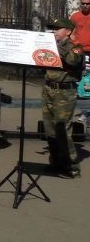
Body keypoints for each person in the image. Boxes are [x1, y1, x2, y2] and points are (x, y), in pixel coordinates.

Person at [42, 18, 83, 179]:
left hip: (64, 92)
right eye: (53, 29)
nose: (54, 32)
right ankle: (56, 162)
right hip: (48, 88)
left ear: (68, 31)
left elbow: (73, 61)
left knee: (62, 129)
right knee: (50, 129)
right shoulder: (52, 46)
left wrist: (56, 46)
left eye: (57, 29)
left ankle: (71, 167)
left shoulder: (75, 46)